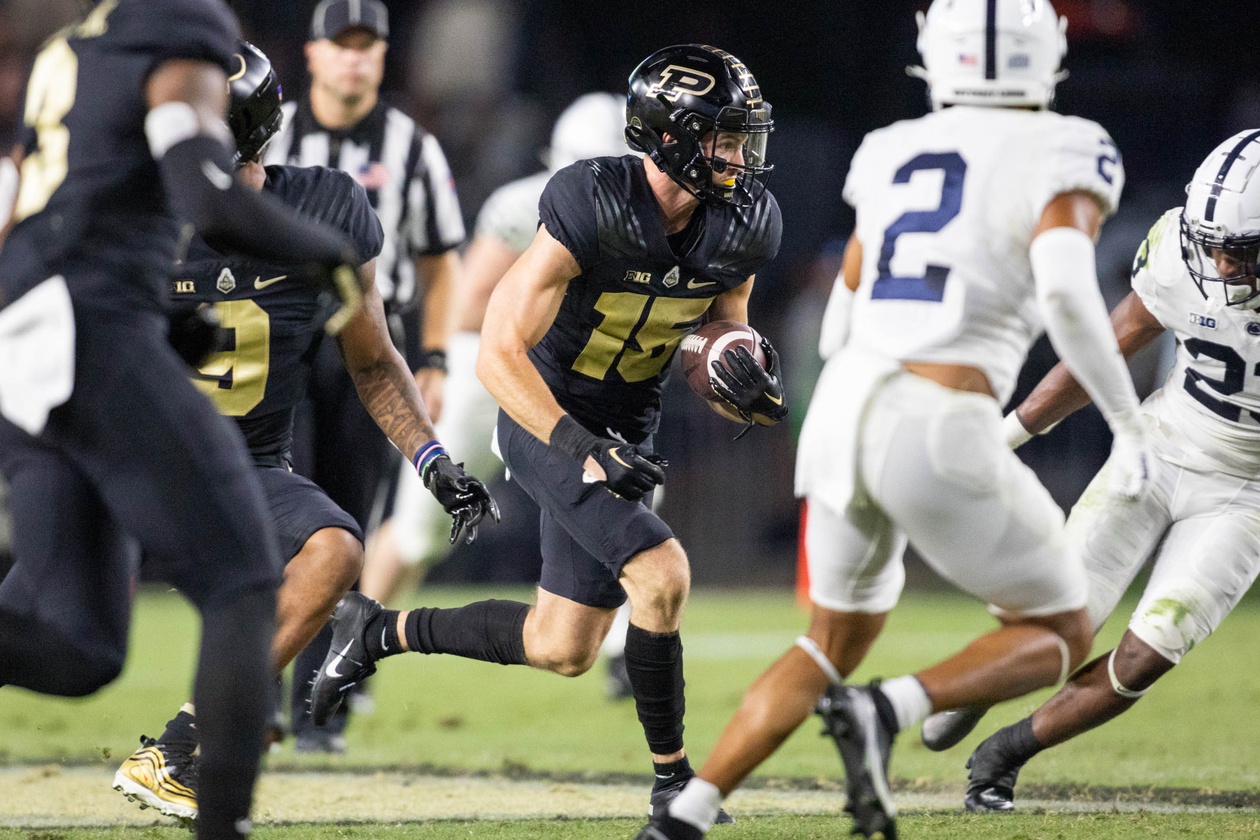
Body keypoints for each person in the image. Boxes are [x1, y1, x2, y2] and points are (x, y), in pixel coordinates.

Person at [636, 2, 1151, 838]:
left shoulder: (893, 148)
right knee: (1060, 628)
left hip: (845, 402)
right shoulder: (1067, 144)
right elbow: (1062, 285)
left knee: (825, 643)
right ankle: (887, 710)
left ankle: (687, 811)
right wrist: (1127, 426)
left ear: (933, 56)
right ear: (1046, 53)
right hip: (938, 410)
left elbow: (844, 300)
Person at [309, 43, 785, 820]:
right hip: (545, 412)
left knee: (562, 647)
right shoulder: (589, 200)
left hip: (628, 422)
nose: (739, 158)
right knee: (661, 575)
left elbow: (718, 334)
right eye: (722, 139)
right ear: (669, 136)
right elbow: (497, 351)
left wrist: (739, 382)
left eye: (742, 139)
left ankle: (378, 631)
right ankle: (676, 786)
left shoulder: (746, 224)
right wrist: (579, 446)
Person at [0, 1, 367, 838]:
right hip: (87, 332)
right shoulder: (177, 27)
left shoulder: (73, 47)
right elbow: (207, 191)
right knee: (242, 582)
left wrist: (161, 325)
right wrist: (326, 252)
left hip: (29, 335)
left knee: (78, 646)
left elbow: (46, 207)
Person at [109, 41, 498, 824]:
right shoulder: (137, 217)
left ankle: (179, 750)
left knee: (337, 549)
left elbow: (375, 361)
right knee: (65, 637)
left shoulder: (324, 206)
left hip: (243, 468)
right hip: (128, 458)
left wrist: (432, 459)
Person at [961, 129, 1260, 813]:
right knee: (1061, 628)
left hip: (1248, 493)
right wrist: (1007, 435)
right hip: (1161, 448)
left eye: (1239, 252)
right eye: (1211, 243)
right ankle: (964, 693)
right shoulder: (1186, 258)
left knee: (1149, 653)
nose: (1218, 263)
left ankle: (1005, 754)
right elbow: (1108, 346)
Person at [357, 91, 638, 703]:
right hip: (496, 373)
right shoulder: (524, 205)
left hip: (580, 379)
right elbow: (468, 309)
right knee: (419, 528)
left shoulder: (648, 215)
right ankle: (351, 642)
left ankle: (624, 653)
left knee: (629, 501)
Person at [261, 0, 469, 751]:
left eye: (367, 46)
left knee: (350, 517)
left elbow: (444, 260)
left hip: (372, 348)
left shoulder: (412, 145)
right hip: (283, 343)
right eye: (340, 45)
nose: (354, 59)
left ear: (383, 57)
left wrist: (437, 356)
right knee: (287, 523)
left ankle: (320, 701)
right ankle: (261, 690)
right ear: (311, 54)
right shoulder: (270, 128)